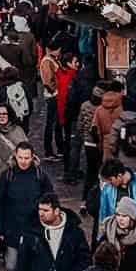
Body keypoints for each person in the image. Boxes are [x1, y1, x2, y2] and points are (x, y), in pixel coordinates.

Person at [0, 139, 47, 271]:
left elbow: (50, 200)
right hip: (12, 229)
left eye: (27, 158)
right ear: (15, 156)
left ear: (32, 157)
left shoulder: (40, 176)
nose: (23, 161)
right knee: (12, 266)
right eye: (20, 157)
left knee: (33, 267)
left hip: (34, 229)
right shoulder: (7, 176)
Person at [98, 158, 136, 242]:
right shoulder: (108, 187)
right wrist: (101, 236)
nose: (109, 183)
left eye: (110, 180)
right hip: (115, 237)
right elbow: (103, 212)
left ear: (119, 176)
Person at [0, 16, 39, 117]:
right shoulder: (30, 36)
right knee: (28, 87)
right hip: (26, 68)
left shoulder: (6, 39)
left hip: (9, 70)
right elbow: (33, 54)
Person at [76, 86, 106, 193]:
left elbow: (79, 124)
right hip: (99, 142)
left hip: (88, 142)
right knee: (100, 169)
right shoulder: (102, 109)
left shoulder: (85, 105)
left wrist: (83, 135)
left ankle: (87, 193)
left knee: (90, 169)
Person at [56, 51, 80, 180]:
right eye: (75, 62)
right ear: (69, 63)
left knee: (69, 143)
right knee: (71, 144)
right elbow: (67, 100)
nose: (78, 64)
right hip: (69, 116)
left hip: (65, 115)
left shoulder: (64, 75)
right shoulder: (70, 78)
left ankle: (71, 170)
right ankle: (70, 172)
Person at [39, 41, 62, 157]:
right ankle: (49, 151)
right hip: (53, 96)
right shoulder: (48, 61)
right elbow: (48, 81)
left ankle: (57, 149)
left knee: (54, 123)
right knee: (51, 123)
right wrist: (55, 91)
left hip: (54, 94)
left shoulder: (51, 59)